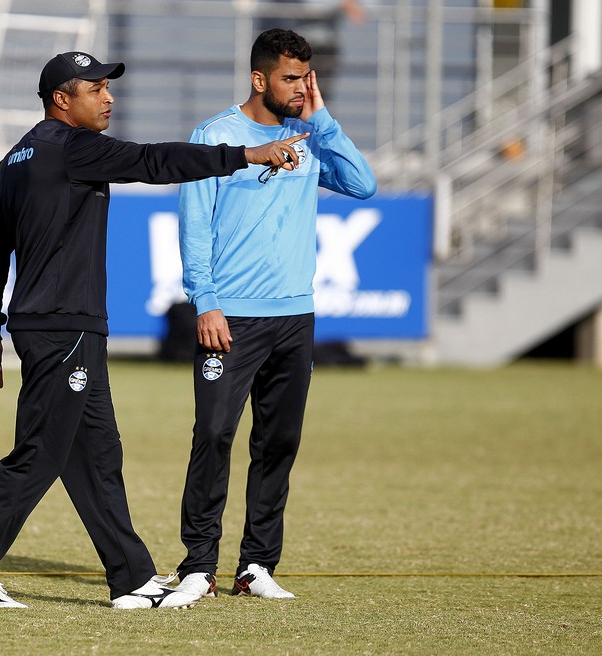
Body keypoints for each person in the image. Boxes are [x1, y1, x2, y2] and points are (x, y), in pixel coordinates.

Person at [0, 50, 307, 610]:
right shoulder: (72, 148)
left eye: (108, 87)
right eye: (96, 89)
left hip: (56, 326)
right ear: (62, 99)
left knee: (96, 454)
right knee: (40, 453)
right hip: (64, 328)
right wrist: (246, 154)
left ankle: (132, 578)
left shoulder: (16, 155)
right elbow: (155, 161)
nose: (109, 97)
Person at [174, 29, 376, 600]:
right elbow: (195, 225)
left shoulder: (309, 137)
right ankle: (197, 566)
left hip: (295, 317)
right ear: (259, 78)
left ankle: (256, 566)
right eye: (291, 78)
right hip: (230, 317)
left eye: (308, 78)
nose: (301, 88)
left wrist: (324, 118)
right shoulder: (214, 137)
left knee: (278, 442)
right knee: (213, 435)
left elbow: (363, 185)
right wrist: (205, 300)